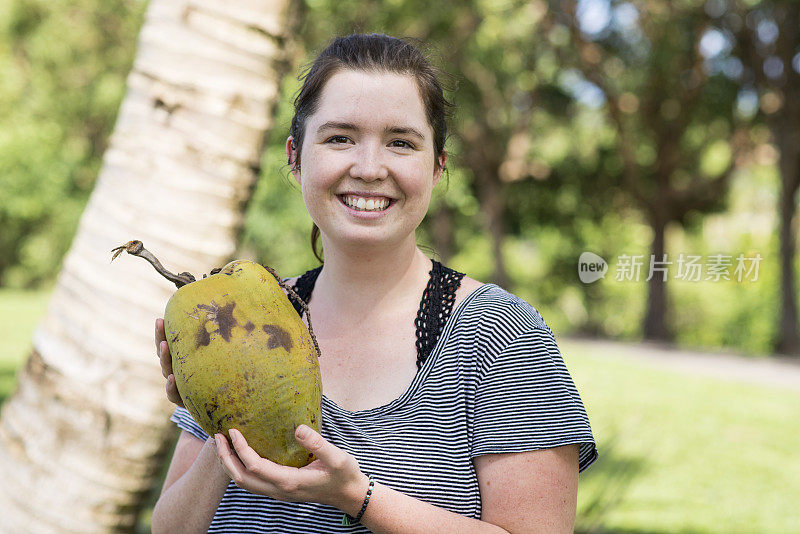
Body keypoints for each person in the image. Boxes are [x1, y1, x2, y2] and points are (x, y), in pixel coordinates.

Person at [150, 33, 597, 534]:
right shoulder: (244, 313)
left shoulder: (500, 332)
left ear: (436, 167)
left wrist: (356, 496)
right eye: (339, 137)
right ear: (296, 158)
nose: (368, 168)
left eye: (401, 143)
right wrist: (223, 418)